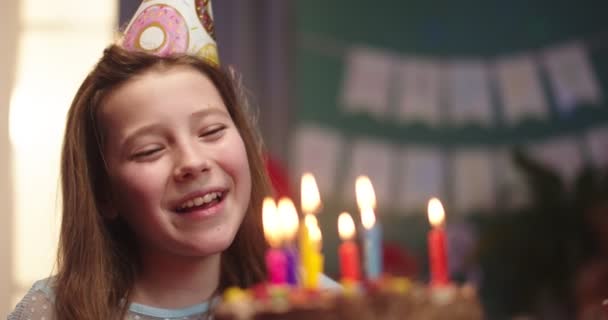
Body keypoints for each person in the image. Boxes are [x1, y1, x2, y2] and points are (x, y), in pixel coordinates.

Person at [8, 44, 339, 320]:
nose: (193, 163)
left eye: (211, 131)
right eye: (150, 150)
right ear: (104, 193)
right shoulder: (50, 313)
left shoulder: (317, 305)